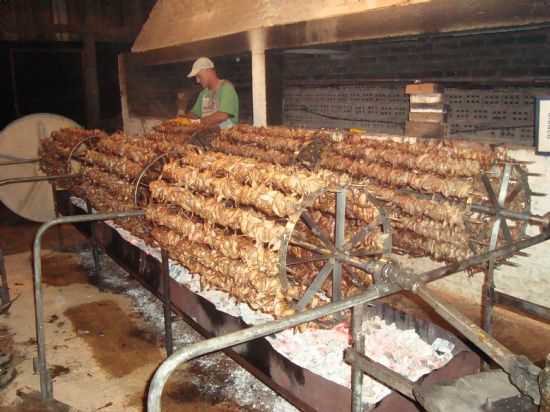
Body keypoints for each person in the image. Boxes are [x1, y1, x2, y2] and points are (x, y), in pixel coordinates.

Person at [186, 57, 239, 129]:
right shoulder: (203, 94)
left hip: (227, 136)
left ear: (208, 71)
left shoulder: (226, 89)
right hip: (208, 134)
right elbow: (193, 114)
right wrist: (184, 121)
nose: (197, 81)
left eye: (198, 76)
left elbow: (222, 116)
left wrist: (198, 122)